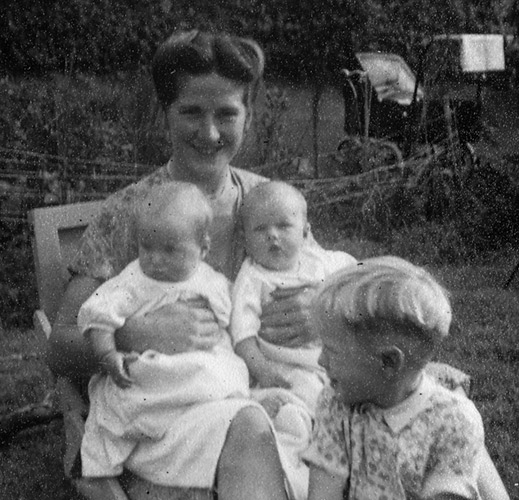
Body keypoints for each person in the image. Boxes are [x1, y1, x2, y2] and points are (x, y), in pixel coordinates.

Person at [46, 29, 315, 500]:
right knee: (253, 429)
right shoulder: (130, 211)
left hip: (268, 395)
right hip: (164, 418)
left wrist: (319, 309)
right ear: (163, 115)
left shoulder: (271, 206)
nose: (209, 133)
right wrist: (132, 335)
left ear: (248, 119)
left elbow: (331, 287)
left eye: (227, 113)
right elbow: (59, 346)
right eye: (191, 111)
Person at [78, 181, 251, 486]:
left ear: (203, 249)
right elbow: (98, 316)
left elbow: (234, 320)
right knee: (139, 392)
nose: (155, 259)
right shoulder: (134, 280)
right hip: (154, 374)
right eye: (147, 247)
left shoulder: (212, 280)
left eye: (170, 250)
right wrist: (108, 353)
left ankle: (210, 415)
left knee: (221, 370)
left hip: (201, 373)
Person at [304, 256, 510, 500]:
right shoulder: (336, 402)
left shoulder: (454, 422)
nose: (320, 361)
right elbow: (323, 492)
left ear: (389, 362)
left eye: (332, 351)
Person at [230, 181, 357, 500]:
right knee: (302, 415)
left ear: (305, 232)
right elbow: (243, 338)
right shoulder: (252, 278)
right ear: (245, 241)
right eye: (260, 230)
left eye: (284, 226)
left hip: (333, 362)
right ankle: (305, 477)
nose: (273, 235)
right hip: (287, 371)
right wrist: (265, 373)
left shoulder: (321, 263)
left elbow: (357, 279)